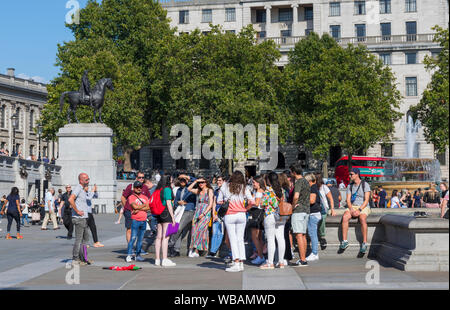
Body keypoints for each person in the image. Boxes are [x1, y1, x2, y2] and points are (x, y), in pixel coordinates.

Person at [218, 170, 254, 272]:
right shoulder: (244, 188)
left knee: (233, 239)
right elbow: (252, 201)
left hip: (230, 215)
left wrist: (227, 201)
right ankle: (241, 263)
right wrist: (246, 208)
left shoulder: (225, 187)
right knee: (240, 239)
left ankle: (236, 262)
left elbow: (219, 201)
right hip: (242, 215)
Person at [340, 168, 371, 254]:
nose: (350, 176)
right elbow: (348, 200)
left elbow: (366, 200)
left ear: (357, 174)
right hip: (353, 206)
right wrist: (351, 209)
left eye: (351, 174)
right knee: (345, 217)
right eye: (350, 174)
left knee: (362, 218)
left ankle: (364, 243)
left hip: (363, 206)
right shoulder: (350, 186)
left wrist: (359, 210)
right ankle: (344, 241)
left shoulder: (365, 184)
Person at [260, 172, 286, 269]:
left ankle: (270, 263)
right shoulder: (281, 190)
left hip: (270, 215)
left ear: (268, 180)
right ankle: (281, 261)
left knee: (270, 239)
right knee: (280, 237)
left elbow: (262, 203)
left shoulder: (268, 191)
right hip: (281, 215)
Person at [121, 171, 152, 251]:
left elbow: (149, 199)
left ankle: (138, 248)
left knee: (139, 230)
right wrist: (126, 208)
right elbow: (123, 197)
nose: (141, 179)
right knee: (129, 229)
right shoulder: (131, 186)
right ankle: (130, 248)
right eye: (139, 177)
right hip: (129, 211)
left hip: (140, 212)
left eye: (142, 177)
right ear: (136, 178)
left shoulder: (144, 187)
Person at [168, 175, 197, 257]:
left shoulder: (191, 187)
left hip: (189, 210)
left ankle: (170, 244)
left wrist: (187, 176)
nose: (182, 182)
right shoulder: (179, 190)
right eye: (181, 180)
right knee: (177, 228)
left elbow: (197, 180)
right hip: (180, 210)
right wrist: (178, 203)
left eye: (184, 180)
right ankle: (176, 249)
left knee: (179, 228)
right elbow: (176, 200)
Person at [153, 174, 177, 267]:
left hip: (158, 213)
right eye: (171, 179)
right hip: (166, 213)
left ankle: (157, 259)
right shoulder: (167, 189)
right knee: (165, 237)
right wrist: (173, 218)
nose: (172, 180)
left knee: (158, 237)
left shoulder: (158, 189)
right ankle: (165, 259)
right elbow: (169, 203)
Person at [187, 178, 214, 257]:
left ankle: (196, 251)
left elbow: (211, 203)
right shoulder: (198, 191)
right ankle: (194, 248)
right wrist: (195, 181)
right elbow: (189, 188)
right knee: (194, 230)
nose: (200, 184)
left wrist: (204, 213)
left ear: (206, 183)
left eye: (202, 182)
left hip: (205, 212)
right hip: (197, 211)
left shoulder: (209, 190)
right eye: (199, 183)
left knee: (201, 230)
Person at [69, 173, 93, 266]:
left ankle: (84, 258)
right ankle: (75, 259)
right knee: (79, 240)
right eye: (86, 180)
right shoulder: (78, 188)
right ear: (81, 180)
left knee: (85, 239)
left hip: (84, 218)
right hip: (79, 218)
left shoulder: (82, 189)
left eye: (88, 179)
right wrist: (77, 211)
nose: (88, 181)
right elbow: (71, 199)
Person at [290, 164, 310, 267]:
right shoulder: (306, 181)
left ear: (294, 172)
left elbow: (296, 196)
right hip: (306, 210)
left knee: (298, 235)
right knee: (303, 235)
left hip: (298, 211)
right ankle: (304, 258)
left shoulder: (298, 182)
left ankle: (302, 259)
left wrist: (293, 206)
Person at [126, 181, 150, 262]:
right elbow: (134, 206)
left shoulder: (145, 197)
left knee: (140, 239)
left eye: (140, 187)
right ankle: (129, 255)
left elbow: (149, 207)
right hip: (135, 220)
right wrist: (143, 206)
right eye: (137, 187)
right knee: (133, 238)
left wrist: (138, 208)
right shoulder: (131, 197)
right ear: (134, 188)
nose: (139, 188)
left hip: (144, 220)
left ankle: (138, 255)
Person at [247, 175, 266, 265]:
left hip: (256, 213)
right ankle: (260, 255)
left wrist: (249, 205)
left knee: (255, 237)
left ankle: (260, 256)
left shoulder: (258, 191)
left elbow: (257, 203)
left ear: (258, 183)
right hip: (261, 214)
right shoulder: (262, 190)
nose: (253, 184)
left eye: (254, 182)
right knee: (259, 237)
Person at [315, 173, 335, 250]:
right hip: (314, 208)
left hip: (323, 209)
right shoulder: (312, 187)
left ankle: (322, 237)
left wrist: (332, 209)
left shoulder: (324, 187)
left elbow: (331, 199)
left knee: (322, 220)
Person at [304, 173, 321, 262]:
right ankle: (314, 253)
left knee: (312, 234)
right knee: (312, 234)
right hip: (314, 214)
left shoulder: (313, 188)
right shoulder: (314, 187)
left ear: (309, 181)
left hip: (313, 214)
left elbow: (312, 200)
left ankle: (314, 253)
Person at [208, 176, 225, 258]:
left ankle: (214, 251)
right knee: (215, 232)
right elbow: (214, 203)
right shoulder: (216, 191)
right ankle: (212, 251)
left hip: (224, 213)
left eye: (220, 180)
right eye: (217, 181)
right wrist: (214, 214)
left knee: (220, 232)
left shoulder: (226, 191)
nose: (218, 182)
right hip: (216, 213)